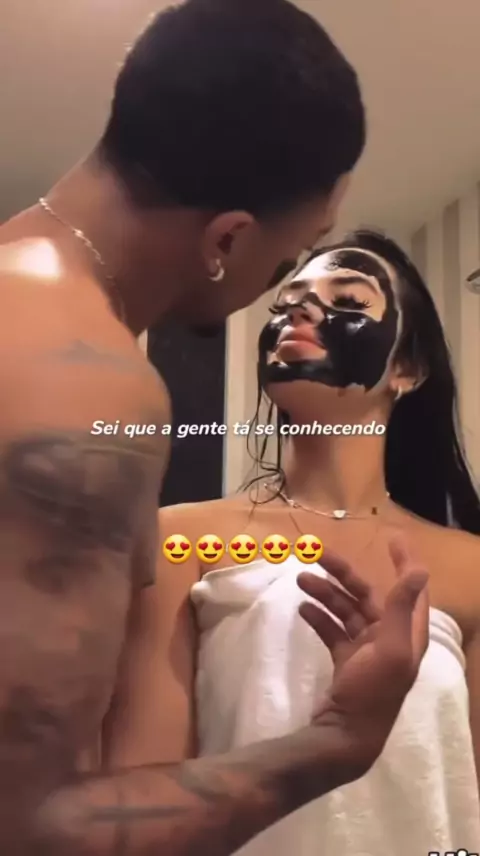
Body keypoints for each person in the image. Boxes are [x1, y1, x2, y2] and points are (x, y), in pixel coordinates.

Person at [0, 0, 429, 850]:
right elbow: (26, 826)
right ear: (227, 239)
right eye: (288, 262)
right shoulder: (86, 388)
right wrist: (342, 740)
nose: (286, 299)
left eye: (341, 295)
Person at [106, 231, 480, 855]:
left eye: (349, 301)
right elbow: (142, 796)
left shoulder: (471, 567)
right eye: (286, 302)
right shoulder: (181, 537)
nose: (299, 310)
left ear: (408, 369)